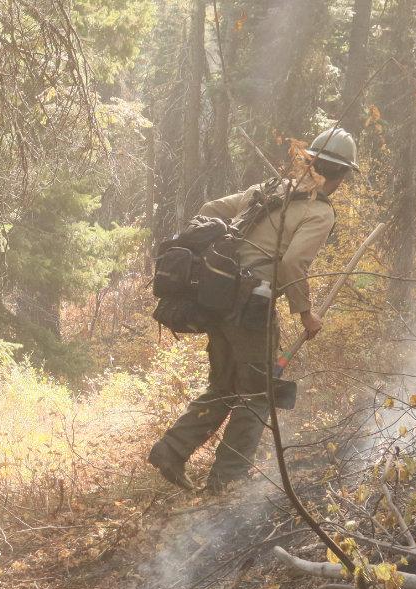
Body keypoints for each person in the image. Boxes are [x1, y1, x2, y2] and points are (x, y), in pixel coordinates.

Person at [148, 126, 359, 494]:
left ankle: (171, 450)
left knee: (226, 384)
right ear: (340, 174)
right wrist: (306, 313)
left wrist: (231, 255)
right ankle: (227, 481)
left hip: (218, 297)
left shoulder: (271, 189)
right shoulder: (320, 212)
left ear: (309, 160)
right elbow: (293, 264)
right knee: (259, 393)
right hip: (251, 308)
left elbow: (210, 210)